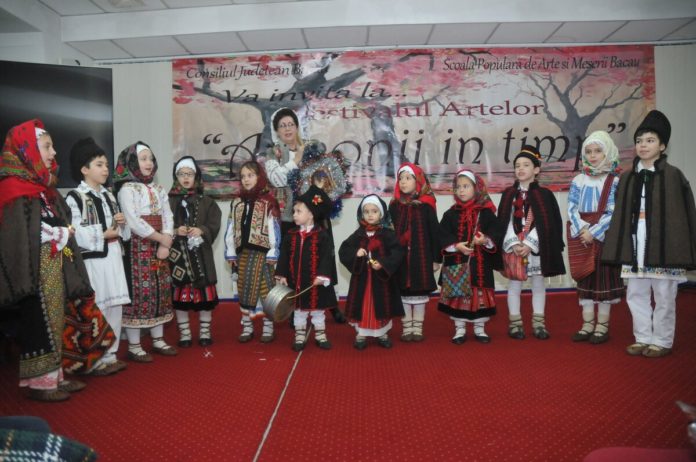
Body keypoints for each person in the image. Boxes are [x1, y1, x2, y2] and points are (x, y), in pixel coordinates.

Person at [0, 119, 95, 401]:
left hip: (52, 265)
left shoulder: (42, 187)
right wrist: (57, 233)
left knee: (55, 318)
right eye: (46, 147)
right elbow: (18, 235)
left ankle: (55, 376)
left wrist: (61, 231)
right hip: (32, 272)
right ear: (28, 149)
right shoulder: (12, 188)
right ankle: (41, 384)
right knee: (39, 321)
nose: (53, 153)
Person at [602, 110, 696, 358]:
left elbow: (684, 213)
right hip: (636, 242)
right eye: (639, 140)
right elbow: (620, 214)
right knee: (635, 293)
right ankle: (642, 337)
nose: (643, 145)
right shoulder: (627, 177)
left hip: (664, 243)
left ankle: (662, 340)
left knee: (664, 294)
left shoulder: (674, 175)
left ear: (662, 146)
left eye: (650, 140)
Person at [66, 137, 130, 375]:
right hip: (93, 261)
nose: (105, 169)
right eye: (99, 165)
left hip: (113, 257)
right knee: (98, 305)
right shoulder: (75, 197)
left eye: (106, 165)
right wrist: (102, 233)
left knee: (115, 305)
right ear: (84, 169)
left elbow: (121, 232)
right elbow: (73, 231)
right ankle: (96, 358)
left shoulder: (109, 196)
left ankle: (110, 354)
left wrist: (121, 223)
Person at [114, 142, 177, 362]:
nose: (149, 163)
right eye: (143, 159)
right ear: (132, 162)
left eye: (150, 158)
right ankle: (134, 345)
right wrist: (161, 239)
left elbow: (168, 215)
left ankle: (158, 339)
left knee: (160, 292)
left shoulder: (158, 189)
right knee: (140, 294)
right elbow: (133, 221)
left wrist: (166, 241)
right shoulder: (127, 189)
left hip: (160, 246)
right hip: (138, 247)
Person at [497, 146, 566, 340]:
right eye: (517, 165)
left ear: (536, 169)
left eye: (526, 165)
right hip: (514, 248)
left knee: (538, 284)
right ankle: (515, 323)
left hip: (536, 248)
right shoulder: (508, 194)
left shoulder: (545, 195)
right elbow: (503, 221)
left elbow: (548, 223)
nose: (520, 169)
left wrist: (529, 243)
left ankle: (538, 323)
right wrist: (513, 243)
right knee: (514, 285)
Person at [567, 131, 624, 344]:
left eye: (598, 151)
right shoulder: (578, 180)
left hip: (604, 235)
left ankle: (602, 325)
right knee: (586, 278)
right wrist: (583, 229)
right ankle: (587, 323)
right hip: (582, 235)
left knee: (603, 281)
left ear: (607, 152)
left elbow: (613, 211)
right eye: (589, 151)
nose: (592, 155)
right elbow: (571, 208)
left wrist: (595, 232)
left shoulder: (614, 181)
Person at [438, 169, 502, 344]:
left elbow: (496, 232)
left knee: (480, 297)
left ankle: (480, 329)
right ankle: (459, 329)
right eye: (458, 187)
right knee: (457, 297)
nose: (461, 190)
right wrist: (456, 246)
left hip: (480, 266)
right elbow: (442, 235)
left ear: (476, 188)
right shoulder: (450, 214)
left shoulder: (486, 213)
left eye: (466, 186)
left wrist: (485, 240)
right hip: (456, 265)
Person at [168, 156, 222, 347]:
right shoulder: (168, 201)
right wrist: (176, 231)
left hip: (201, 257)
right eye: (181, 174)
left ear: (196, 177)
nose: (185, 178)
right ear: (176, 177)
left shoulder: (207, 202)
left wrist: (202, 230)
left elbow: (214, 223)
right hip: (178, 258)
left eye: (189, 174)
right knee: (180, 297)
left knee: (204, 296)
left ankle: (205, 332)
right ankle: (184, 334)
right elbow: (161, 225)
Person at [275, 188, 337, 351]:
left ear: (310, 214)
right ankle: (300, 335)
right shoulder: (291, 235)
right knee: (299, 310)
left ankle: (320, 335)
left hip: (315, 282)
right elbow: (284, 255)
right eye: (294, 211)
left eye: (298, 211)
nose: (294, 215)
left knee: (318, 310)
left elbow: (326, 257)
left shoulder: (322, 235)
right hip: (297, 282)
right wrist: (282, 274)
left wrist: (322, 276)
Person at [339, 195, 404, 350]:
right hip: (362, 280)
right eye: (366, 211)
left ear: (381, 214)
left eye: (374, 211)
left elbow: (398, 252)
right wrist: (356, 253)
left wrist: (383, 263)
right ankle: (361, 334)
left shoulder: (387, 234)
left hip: (381, 281)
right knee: (362, 306)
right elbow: (344, 250)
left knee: (382, 305)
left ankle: (382, 334)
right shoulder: (358, 234)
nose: (370, 215)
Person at [225, 160, 280, 343]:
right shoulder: (236, 202)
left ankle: (268, 328)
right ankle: (247, 327)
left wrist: (273, 250)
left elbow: (274, 227)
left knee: (266, 291)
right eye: (243, 176)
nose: (246, 179)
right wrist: (231, 251)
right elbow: (231, 228)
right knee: (245, 289)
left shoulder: (268, 201)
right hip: (243, 254)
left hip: (263, 254)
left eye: (250, 175)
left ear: (259, 177)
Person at [389, 162, 442, 342]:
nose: (403, 182)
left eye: (408, 178)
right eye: (400, 178)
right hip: (401, 259)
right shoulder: (394, 206)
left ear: (418, 181)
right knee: (403, 294)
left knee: (419, 294)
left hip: (421, 258)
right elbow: (389, 233)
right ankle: (407, 327)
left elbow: (434, 232)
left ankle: (417, 327)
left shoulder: (426, 205)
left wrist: (436, 258)